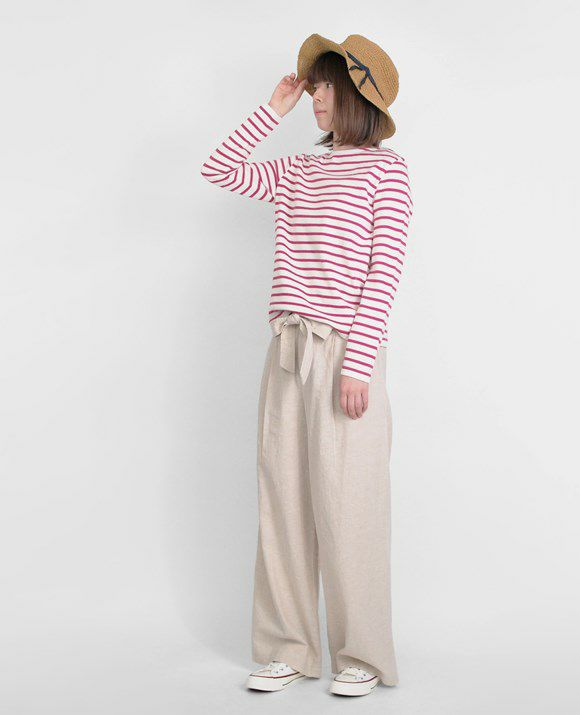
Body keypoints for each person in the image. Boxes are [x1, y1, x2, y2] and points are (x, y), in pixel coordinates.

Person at [200, 33, 413, 697]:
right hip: (287, 350)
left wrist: (358, 364)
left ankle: (362, 654)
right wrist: (274, 108)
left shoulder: (387, 171)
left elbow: (383, 270)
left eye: (324, 86)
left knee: (351, 504)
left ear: (356, 94)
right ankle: (287, 647)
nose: (316, 96)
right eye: (314, 85)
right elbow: (220, 169)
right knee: (284, 501)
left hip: (347, 352)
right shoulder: (298, 168)